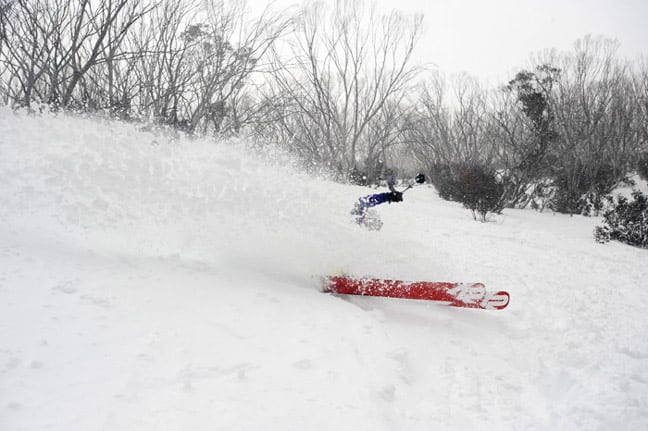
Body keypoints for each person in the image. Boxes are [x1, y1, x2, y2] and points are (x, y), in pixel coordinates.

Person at [351, 173, 425, 225]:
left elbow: (370, 200)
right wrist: (388, 197)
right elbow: (367, 201)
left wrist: (388, 196)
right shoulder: (355, 224)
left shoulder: (361, 214)